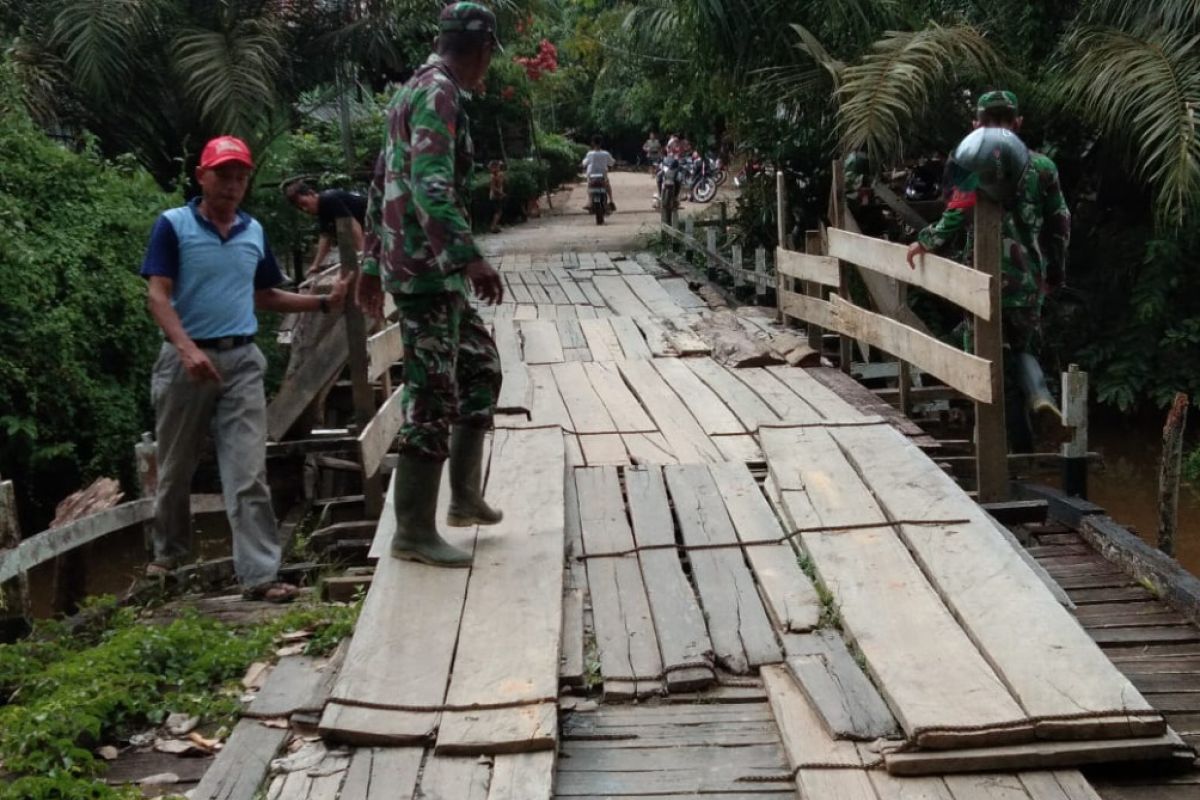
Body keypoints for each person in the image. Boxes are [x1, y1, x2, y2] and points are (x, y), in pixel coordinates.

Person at [141, 135, 349, 602]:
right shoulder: (173, 226)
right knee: (175, 467)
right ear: (202, 176)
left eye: (240, 177)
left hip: (241, 362)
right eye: (223, 175)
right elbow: (158, 294)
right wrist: (186, 348)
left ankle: (259, 576)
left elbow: (266, 296)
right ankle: (168, 558)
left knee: (247, 469)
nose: (232, 185)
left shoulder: (252, 231)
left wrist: (322, 303)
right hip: (184, 363)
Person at [356, 1, 505, 568]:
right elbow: (429, 185)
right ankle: (413, 529)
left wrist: (371, 264)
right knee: (432, 392)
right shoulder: (437, 93)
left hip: (424, 269)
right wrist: (470, 258)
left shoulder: (410, 89)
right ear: (483, 49)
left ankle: (464, 498)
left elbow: (378, 183)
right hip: (427, 273)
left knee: (480, 367)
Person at [906, 90, 1071, 451]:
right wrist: (1054, 272)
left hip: (979, 281)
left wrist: (927, 241)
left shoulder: (972, 163)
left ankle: (990, 451)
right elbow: (1060, 223)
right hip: (1026, 281)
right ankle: (1040, 398)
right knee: (1024, 348)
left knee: (981, 360)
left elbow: (956, 213)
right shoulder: (1042, 167)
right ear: (1018, 123)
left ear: (976, 124)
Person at [284, 181, 369, 277]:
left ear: (311, 193)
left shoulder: (328, 199)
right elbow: (325, 238)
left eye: (304, 203)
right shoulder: (322, 210)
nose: (305, 209)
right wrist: (316, 265)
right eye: (300, 208)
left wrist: (363, 255)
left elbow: (352, 226)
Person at [581, 135, 616, 212]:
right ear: (601, 143)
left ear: (592, 143)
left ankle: (590, 202)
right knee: (607, 185)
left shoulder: (590, 154)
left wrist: (583, 165)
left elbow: (584, 163)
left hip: (591, 175)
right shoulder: (605, 153)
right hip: (603, 175)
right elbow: (612, 162)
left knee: (589, 186)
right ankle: (611, 201)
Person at [487, 160, 506, 233]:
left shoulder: (498, 175)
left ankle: (495, 225)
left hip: (497, 196)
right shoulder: (493, 176)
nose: (499, 168)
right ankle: (493, 226)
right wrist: (501, 192)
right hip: (495, 196)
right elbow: (493, 187)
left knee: (498, 211)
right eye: (498, 166)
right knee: (498, 212)